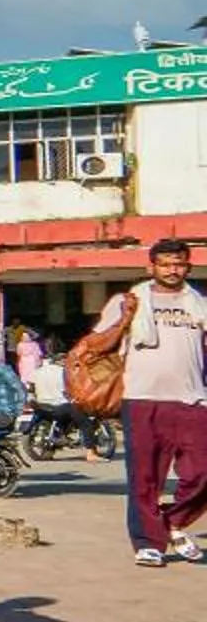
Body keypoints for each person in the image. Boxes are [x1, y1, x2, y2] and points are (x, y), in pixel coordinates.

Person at [81, 238, 207, 566]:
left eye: (178, 263)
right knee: (145, 476)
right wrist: (123, 320)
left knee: (202, 473)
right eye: (164, 264)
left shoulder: (200, 302)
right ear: (151, 267)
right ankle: (148, 543)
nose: (172, 270)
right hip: (141, 398)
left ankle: (173, 522)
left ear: (188, 266)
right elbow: (97, 345)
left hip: (193, 399)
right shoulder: (130, 300)